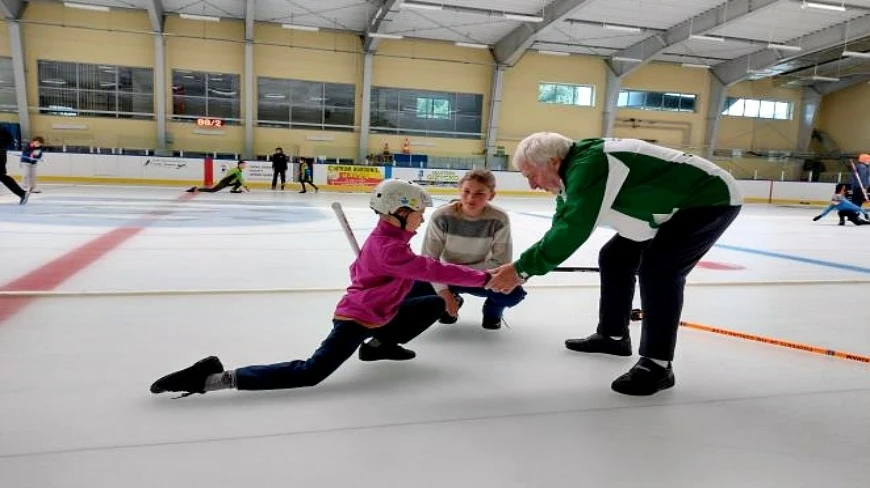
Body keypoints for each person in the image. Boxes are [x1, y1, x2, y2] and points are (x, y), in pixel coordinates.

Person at [150, 179, 493, 398]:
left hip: (381, 313)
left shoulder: (389, 241)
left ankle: (380, 346)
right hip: (356, 319)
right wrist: (486, 278)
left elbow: (371, 271)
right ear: (399, 212)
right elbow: (432, 268)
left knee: (436, 300)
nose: (422, 218)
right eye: (418, 212)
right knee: (311, 372)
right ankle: (212, 378)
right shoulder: (390, 248)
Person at [487, 133, 742, 396]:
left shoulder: (590, 165)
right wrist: (522, 269)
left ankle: (657, 365)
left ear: (553, 162)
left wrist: (521, 270)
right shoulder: (573, 171)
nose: (531, 185)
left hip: (709, 198)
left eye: (531, 175)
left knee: (659, 270)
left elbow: (575, 227)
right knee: (615, 257)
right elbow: (562, 223)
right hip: (670, 205)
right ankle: (613, 337)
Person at [415, 169, 526, 330]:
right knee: (412, 288)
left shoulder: (499, 218)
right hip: (447, 276)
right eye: (466, 191)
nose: (470, 198)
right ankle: (450, 301)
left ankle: (492, 310)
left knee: (513, 294)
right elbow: (429, 260)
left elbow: (501, 262)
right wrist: (443, 292)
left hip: (479, 276)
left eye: (479, 193)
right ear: (459, 190)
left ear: (491, 195)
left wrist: (458, 272)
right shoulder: (441, 216)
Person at [0, 127, 29, 204]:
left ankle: (22, 193)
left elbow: (9, 139)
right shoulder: (2, 129)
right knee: (2, 177)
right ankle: (22, 193)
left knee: (2, 177)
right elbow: (10, 139)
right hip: (2, 155)